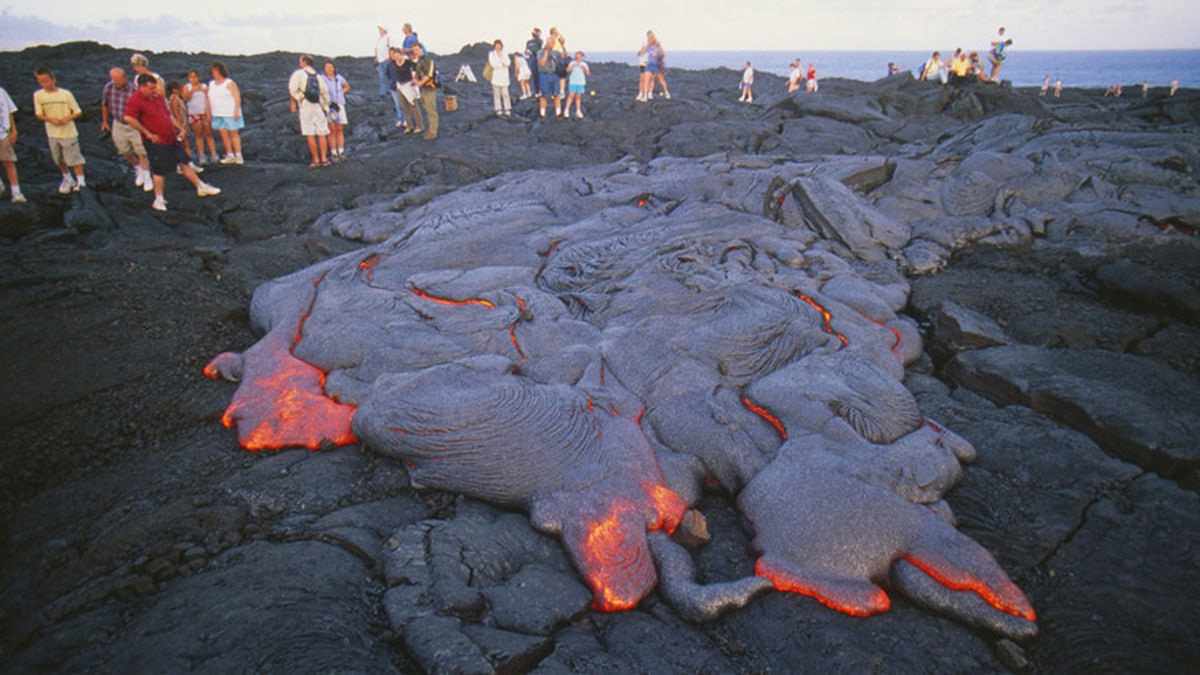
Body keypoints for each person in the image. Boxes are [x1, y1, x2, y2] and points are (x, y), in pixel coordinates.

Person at [123, 73, 220, 211]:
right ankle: (158, 199)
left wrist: (180, 128)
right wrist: (147, 133)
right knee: (159, 171)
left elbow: (168, 115)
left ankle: (201, 186)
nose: (154, 91)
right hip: (156, 142)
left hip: (171, 138)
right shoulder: (135, 100)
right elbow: (129, 118)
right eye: (151, 88)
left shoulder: (158, 98)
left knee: (184, 162)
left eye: (155, 87)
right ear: (141, 87)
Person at [33, 66, 86, 193]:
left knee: (74, 159)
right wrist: (51, 119)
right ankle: (68, 179)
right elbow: (39, 114)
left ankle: (81, 182)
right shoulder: (38, 95)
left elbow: (77, 111)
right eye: (41, 81)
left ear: (53, 79)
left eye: (46, 80)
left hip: (68, 132)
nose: (44, 84)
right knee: (58, 159)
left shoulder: (65, 94)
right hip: (52, 133)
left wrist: (66, 119)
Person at [101, 67, 152, 191]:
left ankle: (147, 175)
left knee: (141, 150)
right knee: (123, 150)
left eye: (119, 79)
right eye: (114, 79)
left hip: (135, 123)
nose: (117, 81)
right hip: (118, 122)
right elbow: (104, 104)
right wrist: (104, 121)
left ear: (125, 77)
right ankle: (137, 167)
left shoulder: (135, 90)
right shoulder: (108, 88)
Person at [288, 54, 331, 167]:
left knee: (310, 133)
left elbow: (292, 89)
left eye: (300, 61)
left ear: (303, 62)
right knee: (322, 133)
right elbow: (325, 92)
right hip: (318, 105)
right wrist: (325, 106)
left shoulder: (299, 74)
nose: (299, 63)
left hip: (305, 105)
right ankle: (324, 159)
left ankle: (316, 160)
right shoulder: (318, 76)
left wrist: (299, 98)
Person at [207, 61, 243, 164]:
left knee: (233, 134)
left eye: (215, 70)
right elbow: (209, 99)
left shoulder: (229, 83)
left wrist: (236, 110)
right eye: (213, 71)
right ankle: (230, 154)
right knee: (223, 133)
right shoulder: (211, 84)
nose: (213, 72)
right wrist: (208, 112)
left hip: (229, 112)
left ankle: (239, 155)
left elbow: (237, 96)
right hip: (217, 113)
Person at [166, 80, 202, 173]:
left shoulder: (178, 98)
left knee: (185, 145)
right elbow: (176, 114)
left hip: (183, 124)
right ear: (174, 90)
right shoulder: (174, 99)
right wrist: (181, 128)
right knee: (183, 145)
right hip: (179, 126)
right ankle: (182, 165)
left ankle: (188, 164)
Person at [184, 70, 217, 165]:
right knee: (198, 135)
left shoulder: (204, 86)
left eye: (195, 77)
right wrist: (193, 90)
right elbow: (185, 98)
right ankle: (201, 156)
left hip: (204, 113)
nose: (193, 79)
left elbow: (208, 99)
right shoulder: (187, 87)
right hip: (194, 114)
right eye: (191, 77)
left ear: (198, 77)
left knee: (209, 134)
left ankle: (213, 154)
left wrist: (209, 112)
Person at [0, 84, 25, 202]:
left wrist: (13, 131)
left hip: (3, 133)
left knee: (9, 162)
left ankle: (16, 192)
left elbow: (9, 111)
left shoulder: (1, 91)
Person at [389, 47, 422, 135]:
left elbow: (416, 69)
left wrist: (415, 80)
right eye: (395, 56)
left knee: (414, 106)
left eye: (398, 56)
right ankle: (409, 125)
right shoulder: (393, 63)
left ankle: (419, 125)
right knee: (404, 107)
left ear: (401, 55)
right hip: (400, 86)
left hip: (409, 85)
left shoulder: (408, 62)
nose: (397, 58)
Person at [322, 60, 349, 160]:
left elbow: (347, 86)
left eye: (330, 67)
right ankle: (333, 152)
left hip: (339, 105)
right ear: (324, 69)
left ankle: (341, 151)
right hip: (329, 106)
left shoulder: (338, 78)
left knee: (339, 129)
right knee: (331, 130)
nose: (329, 69)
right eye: (327, 67)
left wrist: (342, 92)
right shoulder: (322, 79)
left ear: (334, 68)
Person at [410, 43, 438, 140]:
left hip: (430, 88)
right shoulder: (419, 61)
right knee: (427, 108)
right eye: (414, 50)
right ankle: (430, 129)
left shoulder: (427, 60)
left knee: (431, 110)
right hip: (424, 88)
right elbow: (419, 73)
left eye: (417, 49)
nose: (415, 52)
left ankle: (433, 132)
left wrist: (420, 83)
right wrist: (415, 80)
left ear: (421, 49)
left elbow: (429, 74)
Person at [538, 41, 563, 118]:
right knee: (544, 95)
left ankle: (558, 113)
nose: (551, 45)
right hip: (544, 74)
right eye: (549, 43)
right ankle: (542, 114)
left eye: (552, 44)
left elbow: (565, 56)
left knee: (556, 94)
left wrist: (562, 45)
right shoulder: (540, 52)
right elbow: (541, 63)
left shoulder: (556, 52)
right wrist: (546, 53)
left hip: (555, 74)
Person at [488, 40, 512, 117]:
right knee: (497, 95)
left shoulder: (504, 53)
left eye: (499, 45)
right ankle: (498, 110)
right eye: (496, 45)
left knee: (505, 94)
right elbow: (493, 64)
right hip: (496, 77)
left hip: (504, 77)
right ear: (494, 46)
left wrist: (501, 57)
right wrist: (502, 64)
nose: (498, 47)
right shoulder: (492, 54)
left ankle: (507, 109)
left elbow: (508, 63)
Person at [643, 30, 669, 99]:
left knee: (660, 80)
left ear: (653, 37)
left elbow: (663, 54)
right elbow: (641, 53)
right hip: (649, 64)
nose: (649, 39)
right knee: (647, 79)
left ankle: (666, 92)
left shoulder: (658, 45)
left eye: (650, 38)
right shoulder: (648, 46)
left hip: (657, 65)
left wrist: (657, 54)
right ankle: (646, 95)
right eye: (648, 38)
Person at [565, 51, 590, 119]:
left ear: (582, 57)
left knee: (578, 97)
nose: (578, 58)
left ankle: (578, 111)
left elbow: (588, 73)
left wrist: (584, 68)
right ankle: (566, 110)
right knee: (571, 95)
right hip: (573, 81)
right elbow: (567, 70)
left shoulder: (584, 64)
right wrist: (572, 66)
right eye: (576, 57)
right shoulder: (572, 63)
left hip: (580, 82)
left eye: (579, 57)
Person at [374, 26, 392, 98]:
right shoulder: (379, 39)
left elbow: (391, 47)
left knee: (389, 76)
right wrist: (376, 57)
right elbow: (376, 48)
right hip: (380, 60)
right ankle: (382, 92)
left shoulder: (388, 38)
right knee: (382, 77)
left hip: (386, 60)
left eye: (380, 29)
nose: (379, 30)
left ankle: (390, 91)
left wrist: (390, 57)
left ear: (384, 30)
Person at [526, 28, 543, 98]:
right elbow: (527, 49)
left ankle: (541, 90)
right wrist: (527, 51)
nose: (538, 34)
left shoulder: (540, 41)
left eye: (539, 33)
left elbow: (539, 44)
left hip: (538, 59)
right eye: (537, 33)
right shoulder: (529, 42)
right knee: (534, 76)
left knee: (540, 76)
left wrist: (536, 36)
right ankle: (537, 91)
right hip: (532, 60)